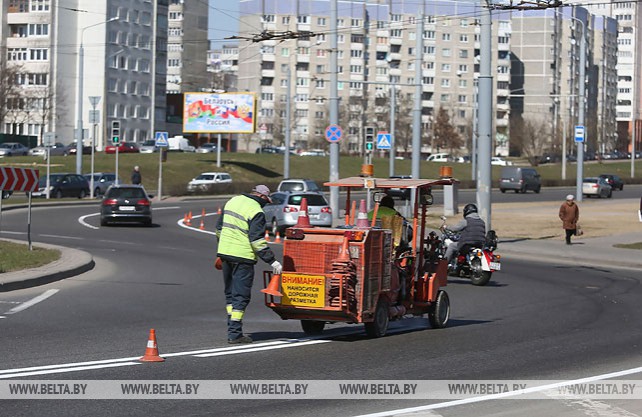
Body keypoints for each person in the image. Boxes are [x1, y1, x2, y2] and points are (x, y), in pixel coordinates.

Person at [215, 184, 282, 344]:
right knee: (241, 296)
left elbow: (219, 228)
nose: (266, 204)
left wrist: (223, 246)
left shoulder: (233, 201)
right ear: (262, 197)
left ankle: (231, 327)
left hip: (225, 253)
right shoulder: (256, 211)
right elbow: (257, 241)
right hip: (242, 257)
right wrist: (272, 260)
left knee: (230, 293)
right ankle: (235, 334)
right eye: (266, 200)